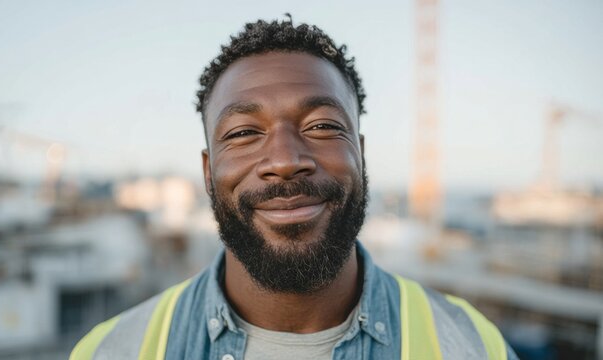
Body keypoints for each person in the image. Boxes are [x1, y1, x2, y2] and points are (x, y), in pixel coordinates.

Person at [71, 16, 518, 360]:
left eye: (322, 125)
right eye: (244, 133)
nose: (285, 160)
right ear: (208, 172)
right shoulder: (111, 350)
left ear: (360, 153)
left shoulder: (473, 345)